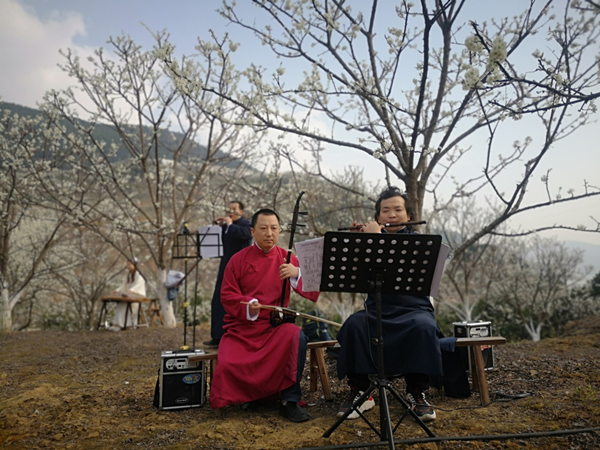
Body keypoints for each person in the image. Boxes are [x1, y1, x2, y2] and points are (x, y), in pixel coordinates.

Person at [335, 186, 442, 422]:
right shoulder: (368, 239)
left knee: (423, 326)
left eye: (397, 210)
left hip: (413, 309)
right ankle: (360, 391)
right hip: (377, 309)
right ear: (377, 217)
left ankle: (417, 392)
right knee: (354, 324)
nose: (392, 215)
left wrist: (377, 239)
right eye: (385, 210)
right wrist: (357, 242)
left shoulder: (418, 243)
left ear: (409, 216)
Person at [209, 208, 320, 423]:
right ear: (252, 231)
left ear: (280, 231)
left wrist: (297, 274)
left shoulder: (287, 258)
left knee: (296, 336)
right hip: (244, 327)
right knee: (229, 362)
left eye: (274, 228)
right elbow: (227, 295)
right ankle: (254, 396)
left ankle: (290, 401)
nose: (269, 233)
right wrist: (249, 305)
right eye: (263, 228)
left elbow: (313, 291)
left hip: (274, 326)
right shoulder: (238, 260)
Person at [203, 200, 253, 348]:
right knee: (219, 299)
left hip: (241, 269)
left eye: (234, 209)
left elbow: (245, 236)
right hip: (225, 266)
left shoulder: (246, 225)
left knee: (235, 301)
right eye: (229, 209)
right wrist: (216, 228)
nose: (230, 211)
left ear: (242, 211)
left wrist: (230, 225)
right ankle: (217, 336)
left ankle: (234, 336)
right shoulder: (225, 226)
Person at [109, 258, 146, 331]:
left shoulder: (138, 274)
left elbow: (139, 284)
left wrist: (132, 290)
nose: (128, 266)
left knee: (124, 306)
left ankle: (123, 324)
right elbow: (123, 285)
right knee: (120, 304)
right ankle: (118, 323)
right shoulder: (129, 275)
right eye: (127, 264)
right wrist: (117, 290)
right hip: (130, 295)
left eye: (129, 264)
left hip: (137, 296)